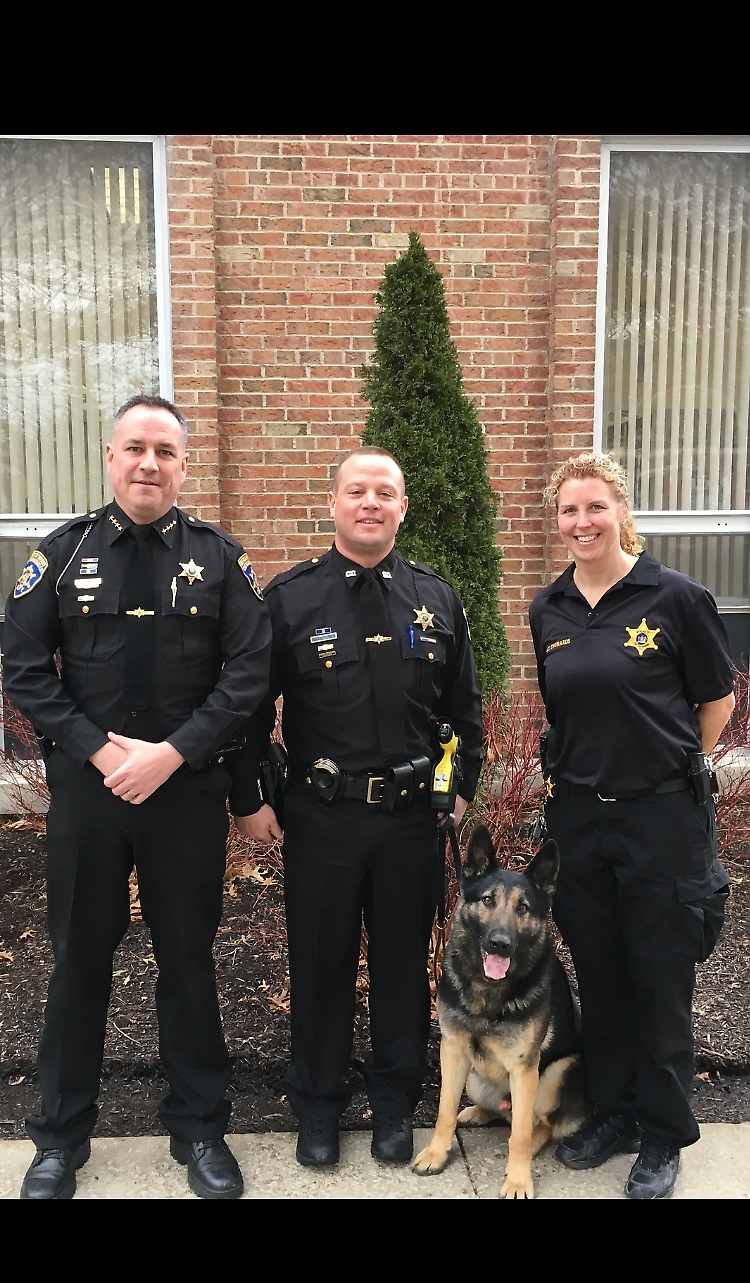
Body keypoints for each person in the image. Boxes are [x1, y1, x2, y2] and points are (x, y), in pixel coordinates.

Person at [2, 394, 272, 1200]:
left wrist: (175, 753)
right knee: (79, 963)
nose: (149, 463)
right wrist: (96, 748)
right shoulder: (63, 553)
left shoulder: (220, 559)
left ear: (185, 465)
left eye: (165, 450)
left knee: (188, 963)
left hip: (186, 794)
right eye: (135, 448)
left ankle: (200, 1130)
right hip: (90, 796)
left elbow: (249, 674)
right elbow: (22, 669)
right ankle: (58, 1138)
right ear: (110, 457)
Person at [233, 446, 483, 1168]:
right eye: (356, 491)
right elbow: (252, 712)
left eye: (384, 492)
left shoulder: (437, 599)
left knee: (405, 966)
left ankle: (395, 1105)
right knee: (320, 963)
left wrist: (459, 789)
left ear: (402, 507)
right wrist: (249, 798)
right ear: (334, 503)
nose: (370, 502)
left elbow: (466, 712)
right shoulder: (290, 599)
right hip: (324, 815)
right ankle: (317, 1106)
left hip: (411, 819)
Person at [529, 451, 735, 1200]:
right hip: (581, 822)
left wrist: (677, 763)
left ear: (621, 510)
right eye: (569, 511)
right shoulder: (548, 608)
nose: (582, 523)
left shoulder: (676, 597)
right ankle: (613, 1112)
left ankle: (663, 1135)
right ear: (557, 522)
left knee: (659, 981)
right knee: (604, 976)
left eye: (594, 507)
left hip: (661, 821)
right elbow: (565, 712)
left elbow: (715, 701)